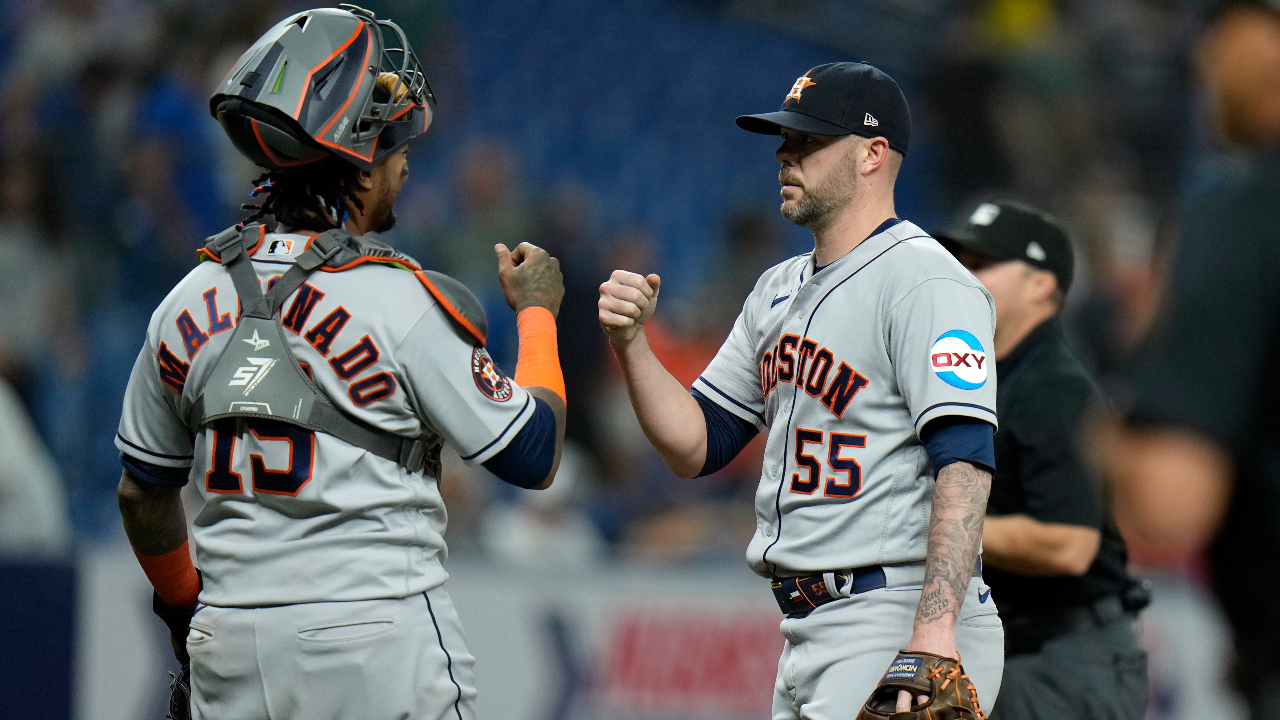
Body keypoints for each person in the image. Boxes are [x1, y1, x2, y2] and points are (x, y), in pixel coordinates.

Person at [113, 7, 566, 720]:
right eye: (394, 142)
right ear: (358, 156)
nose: (407, 159)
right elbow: (533, 452)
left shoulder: (184, 301)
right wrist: (538, 312)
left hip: (228, 645)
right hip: (374, 640)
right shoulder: (401, 300)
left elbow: (143, 493)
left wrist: (182, 609)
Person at [598, 61, 1004, 718]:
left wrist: (932, 633)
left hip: (895, 612)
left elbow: (964, 459)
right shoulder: (776, 290)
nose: (785, 153)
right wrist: (633, 346)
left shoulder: (928, 282)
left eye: (810, 141)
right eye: (785, 139)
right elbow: (697, 443)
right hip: (811, 625)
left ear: (873, 155)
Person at [1096, 1, 1280, 714]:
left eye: (1216, 31)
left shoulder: (1245, 213)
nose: (1202, 64)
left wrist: (1090, 429)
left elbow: (1172, 500)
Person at [937, 199, 1147, 719]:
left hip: (1069, 661)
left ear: (1040, 285)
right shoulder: (984, 381)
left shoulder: (1054, 387)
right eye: (957, 261)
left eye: (981, 263)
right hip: (1021, 653)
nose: (961, 274)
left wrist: (942, 528)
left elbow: (1070, 544)